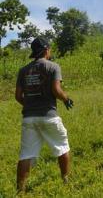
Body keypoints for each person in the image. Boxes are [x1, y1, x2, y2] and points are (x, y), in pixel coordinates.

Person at [15, 37, 74, 192]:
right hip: (49, 116)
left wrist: (29, 105)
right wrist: (66, 99)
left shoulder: (23, 70)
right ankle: (66, 181)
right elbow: (56, 90)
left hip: (29, 118)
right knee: (62, 147)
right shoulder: (53, 67)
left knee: (26, 155)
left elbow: (18, 96)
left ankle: (20, 190)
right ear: (46, 50)